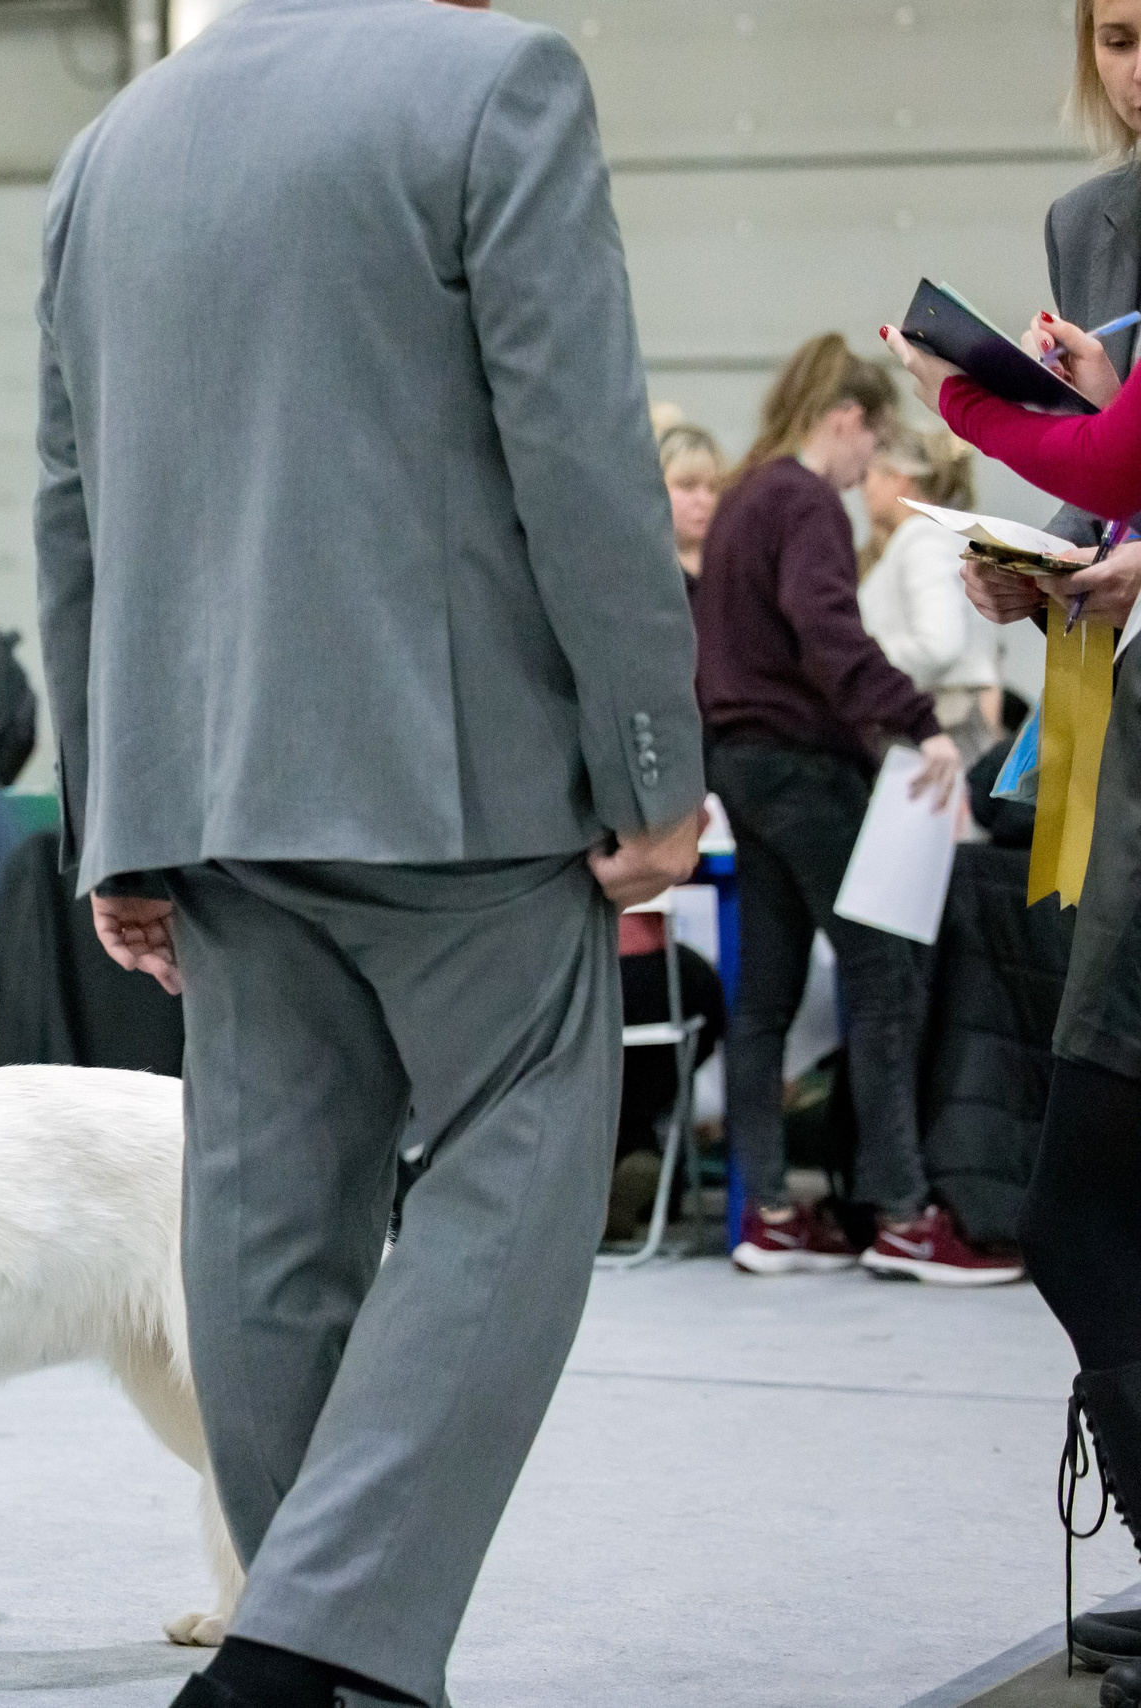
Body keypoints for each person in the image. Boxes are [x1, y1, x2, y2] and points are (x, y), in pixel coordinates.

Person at [34, 5, 703, 1704]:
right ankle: (308, 1652)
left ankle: (322, 1652)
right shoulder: (501, 86)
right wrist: (652, 758)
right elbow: (583, 453)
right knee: (520, 1153)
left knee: (261, 1224)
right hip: (453, 775)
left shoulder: (113, 147)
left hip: (203, 784)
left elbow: (72, 500)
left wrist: (115, 806)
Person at [885, 11, 1141, 1676]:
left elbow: (1116, 453)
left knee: (1080, 1197)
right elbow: (1106, 485)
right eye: (1118, 33)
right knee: (1086, 1198)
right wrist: (1034, 558)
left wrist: (971, 397)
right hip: (1122, 746)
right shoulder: (1092, 222)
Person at [694, 335, 1010, 1285]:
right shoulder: (801, 501)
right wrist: (920, 723)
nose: (866, 472)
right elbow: (829, 633)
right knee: (885, 975)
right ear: (846, 420)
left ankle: (773, 1214)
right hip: (803, 768)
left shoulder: (744, 498)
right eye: (869, 449)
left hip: (740, 766)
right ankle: (907, 1217)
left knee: (768, 990)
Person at [857, 427, 999, 756]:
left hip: (935, 728)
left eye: (871, 475)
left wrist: (866, 664)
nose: (864, 488)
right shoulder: (944, 538)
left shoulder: (921, 539)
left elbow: (939, 644)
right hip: (943, 722)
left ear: (899, 478)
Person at [660, 422, 723, 582]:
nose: (705, 500)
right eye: (687, 485)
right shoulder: (641, 566)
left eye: (713, 487)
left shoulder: (733, 564)